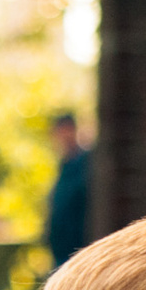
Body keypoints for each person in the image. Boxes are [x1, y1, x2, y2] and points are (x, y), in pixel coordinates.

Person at [43, 112, 92, 270]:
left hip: (79, 250)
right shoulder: (63, 166)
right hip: (60, 252)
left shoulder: (86, 165)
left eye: (66, 130)